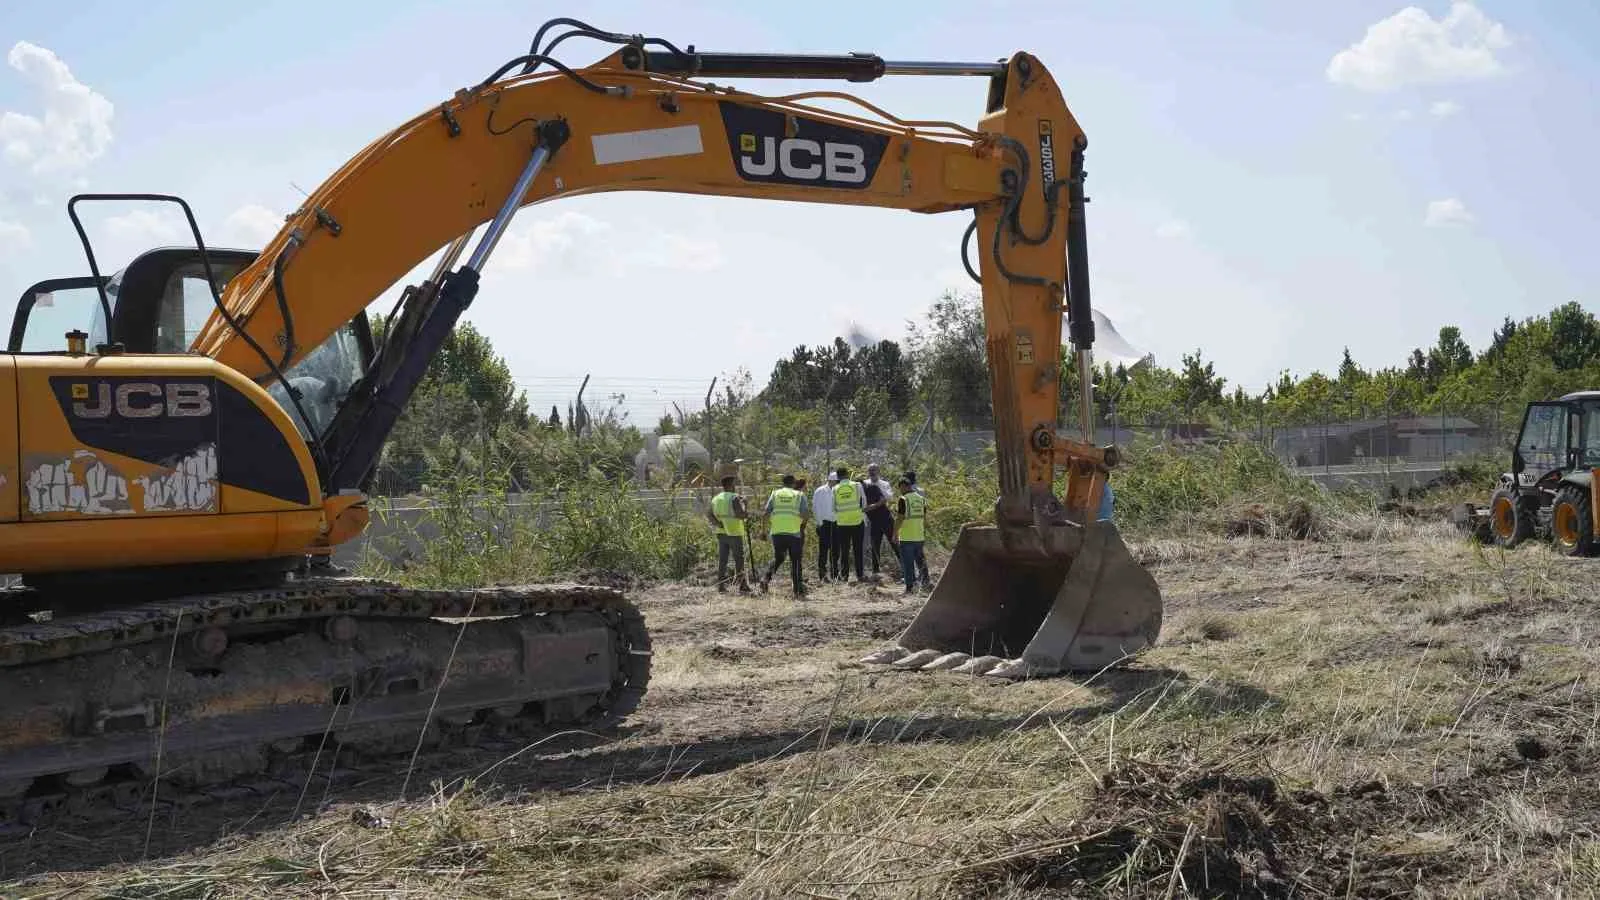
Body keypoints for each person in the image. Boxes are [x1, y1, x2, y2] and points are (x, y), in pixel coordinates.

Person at [761, 474, 809, 596]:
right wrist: (801, 525)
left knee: (779, 558)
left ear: (783, 483)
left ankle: (765, 578)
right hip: (794, 532)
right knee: (796, 560)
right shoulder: (799, 495)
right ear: (793, 483)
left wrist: (763, 531)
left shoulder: (775, 494)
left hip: (777, 532)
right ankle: (797, 589)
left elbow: (766, 513)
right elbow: (805, 515)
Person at [707, 475, 752, 593]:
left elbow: (709, 514)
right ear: (731, 485)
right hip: (734, 532)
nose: (735, 486)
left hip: (722, 533)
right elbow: (741, 515)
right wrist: (746, 505)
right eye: (734, 484)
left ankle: (721, 586)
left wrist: (719, 524)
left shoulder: (716, 498)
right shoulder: (735, 498)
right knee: (739, 560)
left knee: (723, 560)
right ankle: (742, 585)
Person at [894, 475, 930, 592]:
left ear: (904, 486)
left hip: (907, 536)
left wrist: (895, 534)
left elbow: (899, 518)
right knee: (921, 561)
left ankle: (910, 587)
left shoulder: (903, 499)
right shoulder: (921, 499)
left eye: (900, 488)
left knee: (908, 563)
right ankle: (926, 583)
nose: (900, 491)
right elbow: (924, 518)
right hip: (919, 536)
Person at [832, 466, 866, 583]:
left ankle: (845, 576)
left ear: (838, 477)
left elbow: (833, 507)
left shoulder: (835, 488)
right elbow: (864, 502)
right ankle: (860, 575)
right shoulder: (857, 485)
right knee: (858, 550)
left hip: (842, 524)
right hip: (857, 521)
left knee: (844, 550)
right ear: (847, 474)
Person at [862, 463, 896, 576]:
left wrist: (879, 494)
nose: (872, 472)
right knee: (874, 545)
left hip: (885, 518)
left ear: (878, 471)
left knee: (894, 542)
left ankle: (904, 567)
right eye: (870, 470)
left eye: (874, 470)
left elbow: (890, 498)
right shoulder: (864, 484)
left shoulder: (884, 484)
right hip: (872, 520)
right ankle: (875, 571)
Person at [812, 472, 838, 582]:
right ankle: (822, 575)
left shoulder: (838, 490)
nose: (837, 483)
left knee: (836, 550)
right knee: (823, 551)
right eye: (836, 481)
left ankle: (835, 575)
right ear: (830, 480)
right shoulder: (820, 491)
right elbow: (815, 508)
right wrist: (820, 524)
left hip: (837, 523)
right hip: (824, 524)